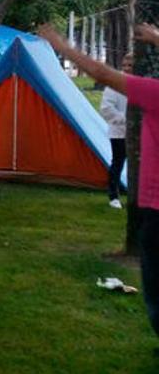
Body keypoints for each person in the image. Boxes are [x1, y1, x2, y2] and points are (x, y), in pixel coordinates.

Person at [39, 23, 159, 352]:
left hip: (156, 211)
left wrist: (60, 46)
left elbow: (100, 73)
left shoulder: (154, 94)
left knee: (155, 284)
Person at [101, 53, 134, 209]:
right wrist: (125, 120)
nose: (127, 69)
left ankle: (136, 197)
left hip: (139, 133)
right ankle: (113, 196)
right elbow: (106, 108)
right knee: (118, 162)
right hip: (119, 132)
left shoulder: (144, 82)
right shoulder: (114, 84)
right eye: (125, 65)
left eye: (131, 66)